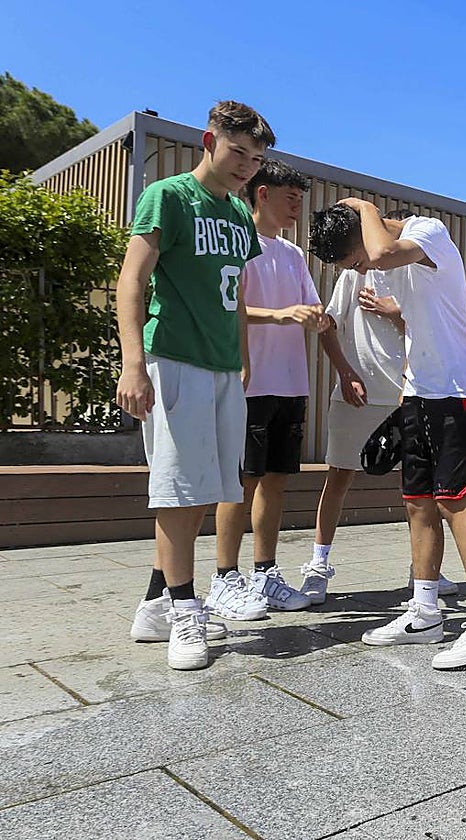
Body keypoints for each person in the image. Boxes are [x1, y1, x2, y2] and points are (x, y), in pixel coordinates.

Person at [309, 201, 466, 669]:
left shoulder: (429, 232)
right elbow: (420, 309)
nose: (362, 270)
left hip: (455, 388)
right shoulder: (395, 257)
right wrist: (405, 388)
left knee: (453, 500)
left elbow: (380, 255)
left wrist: (363, 207)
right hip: (420, 389)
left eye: (355, 261)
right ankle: (424, 611)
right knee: (417, 500)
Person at [121, 101, 275, 670]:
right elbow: (132, 280)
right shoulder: (168, 195)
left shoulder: (238, 214)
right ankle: (186, 614)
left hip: (220, 369)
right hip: (173, 360)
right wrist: (132, 363)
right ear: (210, 141)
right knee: (177, 486)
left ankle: (156, 600)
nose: (246, 166)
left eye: (257, 159)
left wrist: (241, 358)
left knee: (206, 486)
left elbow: (233, 297)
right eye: (239, 152)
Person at [301, 217, 457, 606]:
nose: (360, 268)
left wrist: (394, 313)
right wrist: (345, 371)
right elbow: (328, 326)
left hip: (409, 392)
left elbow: (431, 324)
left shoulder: (413, 258)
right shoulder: (352, 275)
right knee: (339, 476)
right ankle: (318, 566)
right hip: (357, 393)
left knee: (418, 491)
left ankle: (422, 571)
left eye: (357, 260)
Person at [209, 159, 327, 621]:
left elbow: (311, 307)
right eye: (290, 197)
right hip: (250, 382)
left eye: (301, 198)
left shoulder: (295, 254)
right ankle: (224, 577)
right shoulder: (238, 243)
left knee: (275, 480)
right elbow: (229, 306)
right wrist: (278, 315)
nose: (297, 206)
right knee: (240, 481)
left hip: (291, 382)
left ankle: (264, 572)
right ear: (261, 194)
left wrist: (318, 317)